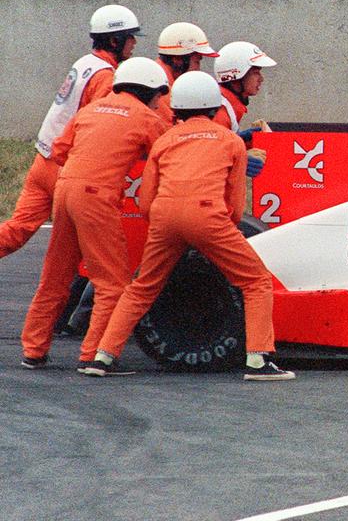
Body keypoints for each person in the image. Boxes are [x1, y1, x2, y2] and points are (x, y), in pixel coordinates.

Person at [85, 71, 294, 380]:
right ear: (213, 106)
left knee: (142, 288)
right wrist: (213, 237)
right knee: (256, 282)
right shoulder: (231, 141)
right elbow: (235, 207)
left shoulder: (165, 140)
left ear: (177, 107)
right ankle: (258, 361)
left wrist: (168, 227)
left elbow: (145, 202)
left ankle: (102, 357)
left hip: (164, 216)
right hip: (208, 215)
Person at [19, 57, 170, 370]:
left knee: (55, 277)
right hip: (97, 198)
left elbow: (59, 151)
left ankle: (33, 350)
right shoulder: (145, 116)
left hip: (64, 189)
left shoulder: (89, 111)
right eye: (158, 95)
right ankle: (94, 355)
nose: (159, 102)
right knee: (112, 283)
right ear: (147, 91)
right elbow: (169, 151)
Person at [0, 5, 141, 266]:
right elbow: (101, 126)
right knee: (96, 246)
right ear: (114, 40)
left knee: (15, 231)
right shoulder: (106, 78)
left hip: (43, 163)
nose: (134, 43)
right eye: (130, 37)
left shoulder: (84, 63)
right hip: (66, 169)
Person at [213, 41, 275, 178]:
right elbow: (205, 159)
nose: (261, 79)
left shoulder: (226, 106)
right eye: (255, 72)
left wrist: (244, 143)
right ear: (237, 75)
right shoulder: (220, 112)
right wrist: (240, 159)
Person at [153, 21, 219, 126]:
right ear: (177, 59)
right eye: (197, 61)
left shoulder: (156, 79)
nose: (198, 69)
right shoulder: (161, 92)